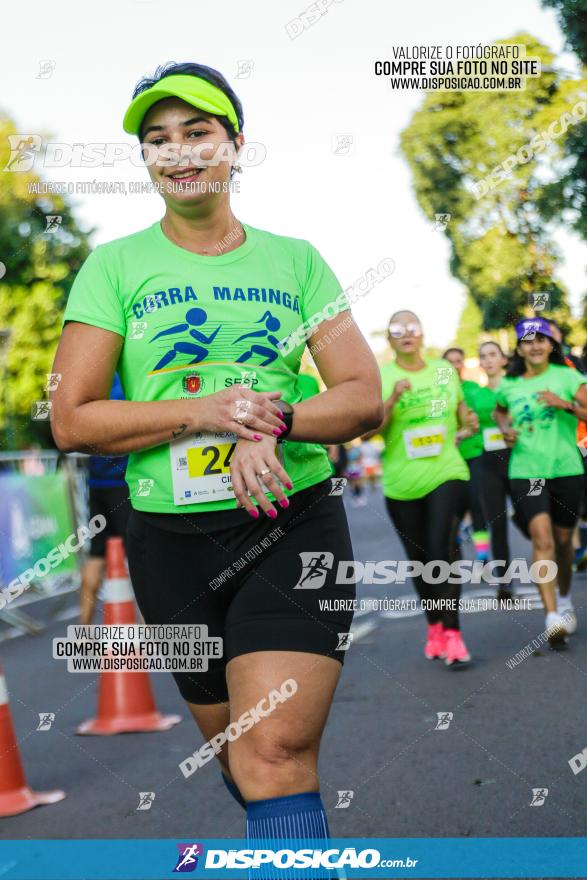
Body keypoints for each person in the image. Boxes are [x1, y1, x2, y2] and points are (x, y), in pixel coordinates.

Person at [49, 61, 382, 860]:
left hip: (291, 522)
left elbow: (363, 393)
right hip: (169, 542)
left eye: (197, 132)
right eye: (158, 139)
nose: (179, 151)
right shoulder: (114, 267)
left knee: (275, 755)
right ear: (146, 161)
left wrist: (277, 420)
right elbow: (71, 416)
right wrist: (200, 412)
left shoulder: (295, 262)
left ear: (235, 145)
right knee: (241, 760)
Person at [366, 310, 477, 666]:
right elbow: (368, 431)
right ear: (390, 339)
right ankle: (435, 627)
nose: (407, 334)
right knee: (420, 561)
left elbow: (463, 415)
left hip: (447, 470)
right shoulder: (382, 377)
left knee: (441, 550)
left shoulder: (443, 372)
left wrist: (469, 423)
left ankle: (454, 633)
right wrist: (393, 399)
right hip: (402, 482)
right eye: (398, 329)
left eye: (412, 327)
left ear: (423, 334)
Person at [494, 317, 587, 643]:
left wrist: (564, 404)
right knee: (542, 539)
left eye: (541, 339)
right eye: (528, 341)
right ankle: (551, 617)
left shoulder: (567, 375)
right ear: (519, 347)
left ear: (551, 344)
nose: (534, 346)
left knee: (563, 543)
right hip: (526, 470)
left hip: (565, 468)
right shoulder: (510, 383)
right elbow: (500, 411)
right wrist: (505, 430)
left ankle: (563, 601)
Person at [79, 373, 131, 626]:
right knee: (143, 558)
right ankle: (151, 631)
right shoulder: (127, 377)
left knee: (96, 553)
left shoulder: (91, 384)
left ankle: (84, 631)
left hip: (97, 482)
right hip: (124, 482)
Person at [476, 342, 513, 601]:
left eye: (492, 355)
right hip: (487, 463)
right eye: (483, 357)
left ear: (503, 360)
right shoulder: (475, 395)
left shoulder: (516, 388)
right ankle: (505, 582)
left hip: (518, 459)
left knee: (530, 519)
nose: (488, 360)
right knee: (497, 523)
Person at [442, 347, 487, 561]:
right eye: (449, 362)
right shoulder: (437, 391)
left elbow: (476, 422)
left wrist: (463, 432)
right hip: (447, 458)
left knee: (477, 504)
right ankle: (453, 552)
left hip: (473, 454)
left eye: (458, 361)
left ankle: (482, 555)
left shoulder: (473, 389)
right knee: (451, 509)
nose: (454, 365)